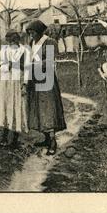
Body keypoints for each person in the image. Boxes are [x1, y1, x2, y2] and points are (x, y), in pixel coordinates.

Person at [25, 20, 67, 155]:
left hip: (46, 78)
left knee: (49, 108)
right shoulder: (31, 43)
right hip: (35, 79)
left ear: (40, 31)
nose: (31, 36)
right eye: (29, 33)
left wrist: (33, 65)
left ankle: (53, 141)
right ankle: (46, 138)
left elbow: (49, 61)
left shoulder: (50, 42)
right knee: (38, 108)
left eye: (33, 33)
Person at [0, 30, 29, 148]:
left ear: (18, 40)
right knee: (6, 107)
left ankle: (15, 139)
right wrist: (8, 65)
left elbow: (27, 69)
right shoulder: (4, 51)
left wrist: (25, 84)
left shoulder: (24, 51)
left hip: (17, 83)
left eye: (14, 40)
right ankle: (5, 137)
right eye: (10, 41)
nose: (13, 43)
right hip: (5, 82)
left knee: (17, 107)